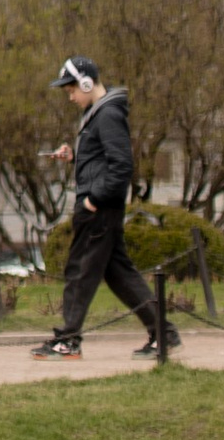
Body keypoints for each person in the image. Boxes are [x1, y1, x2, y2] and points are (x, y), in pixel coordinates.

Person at [32, 58, 180, 359]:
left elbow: (121, 166)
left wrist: (92, 200)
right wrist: (74, 157)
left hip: (98, 208)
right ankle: (162, 335)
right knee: (119, 274)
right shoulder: (98, 113)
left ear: (87, 83)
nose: (70, 96)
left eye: (72, 89)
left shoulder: (108, 114)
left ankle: (68, 340)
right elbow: (104, 159)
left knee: (79, 271)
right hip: (102, 207)